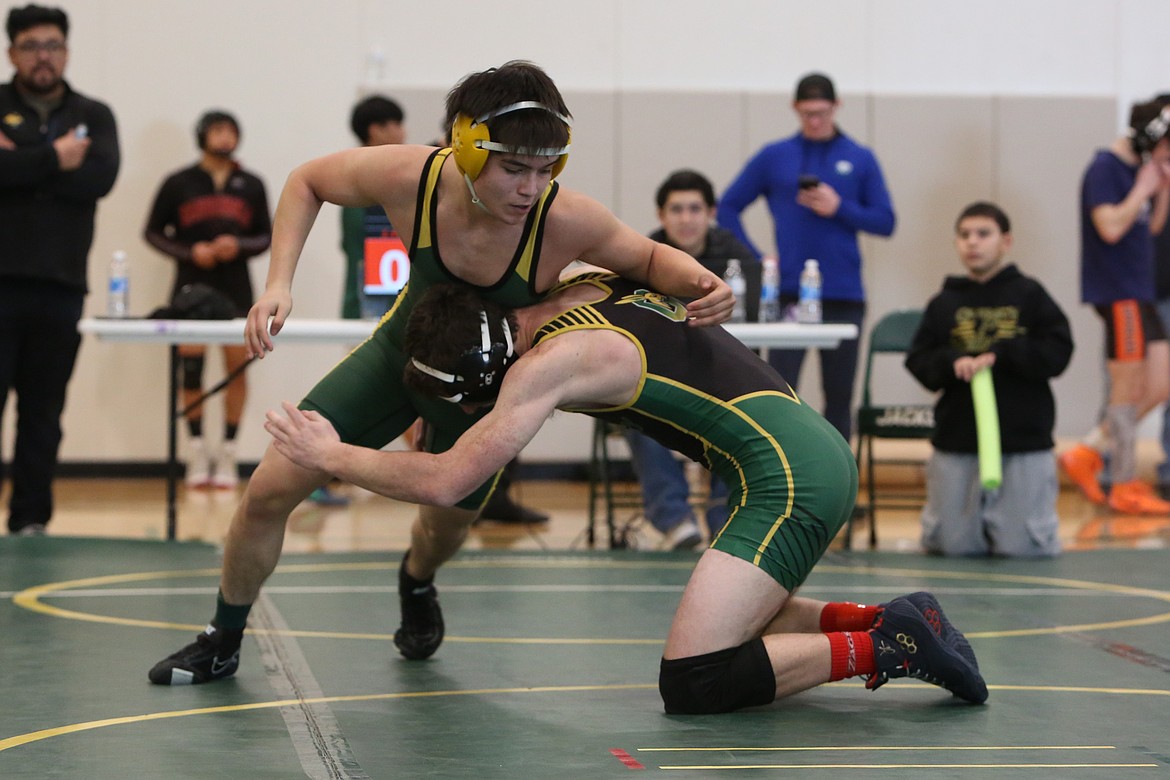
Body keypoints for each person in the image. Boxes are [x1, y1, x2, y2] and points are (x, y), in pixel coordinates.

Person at [147, 60, 734, 685]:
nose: (530, 189)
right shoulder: (413, 177)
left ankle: (417, 578)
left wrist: (703, 283)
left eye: (546, 169)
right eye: (514, 169)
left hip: (481, 393)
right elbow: (307, 181)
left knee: (441, 527)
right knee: (268, 490)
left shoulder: (564, 219)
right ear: (468, 146)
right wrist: (277, 285)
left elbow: (649, 258)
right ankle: (222, 636)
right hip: (397, 356)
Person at [263, 274, 988, 713]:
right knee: (737, 626)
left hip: (792, 478)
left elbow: (452, 478)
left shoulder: (549, 364)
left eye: (473, 401)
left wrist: (333, 455)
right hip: (801, 450)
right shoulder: (582, 284)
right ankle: (891, 618)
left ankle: (888, 647)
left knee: (695, 681)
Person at [717, 72, 895, 440]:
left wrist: (839, 207)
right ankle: (782, 468)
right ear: (795, 108)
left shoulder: (859, 157)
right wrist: (757, 258)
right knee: (780, 391)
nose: (814, 121)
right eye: (807, 113)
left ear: (836, 107)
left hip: (844, 292)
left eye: (821, 113)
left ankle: (841, 474)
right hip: (788, 292)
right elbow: (728, 206)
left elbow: (885, 221)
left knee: (839, 396)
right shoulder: (775, 156)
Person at [0, 4, 119, 536]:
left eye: (52, 45)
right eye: (30, 46)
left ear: (66, 52)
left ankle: (30, 521)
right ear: (11, 53)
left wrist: (19, 163)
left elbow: (99, 178)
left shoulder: (94, 114)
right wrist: (55, 158)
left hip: (61, 286)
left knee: (43, 414)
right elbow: (68, 172)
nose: (42, 56)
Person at [905, 202, 1073, 557]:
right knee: (952, 546)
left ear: (1005, 241)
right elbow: (919, 359)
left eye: (983, 234)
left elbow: (1058, 352)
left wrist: (1003, 354)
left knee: (1022, 547)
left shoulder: (1030, 295)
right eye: (964, 235)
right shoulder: (943, 303)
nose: (973, 242)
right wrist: (953, 361)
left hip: (1022, 442)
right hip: (958, 441)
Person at [624, 169, 757, 548]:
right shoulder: (642, 256)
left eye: (695, 209)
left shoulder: (736, 256)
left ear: (711, 213)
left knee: (747, 415)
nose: (686, 218)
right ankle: (674, 520)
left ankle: (724, 520)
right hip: (661, 378)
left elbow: (757, 313)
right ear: (661, 215)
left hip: (720, 378)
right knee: (634, 412)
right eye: (676, 209)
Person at [144, 110, 272, 489]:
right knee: (191, 370)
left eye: (231, 131)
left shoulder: (251, 184)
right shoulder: (178, 182)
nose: (225, 137)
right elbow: (153, 231)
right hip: (191, 286)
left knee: (237, 368)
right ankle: (197, 449)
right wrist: (189, 252)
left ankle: (229, 450)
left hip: (236, 289)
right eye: (217, 130)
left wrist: (239, 245)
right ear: (202, 135)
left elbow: (266, 235)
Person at [1059, 99, 1170, 515]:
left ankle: (1088, 450)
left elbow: (1150, 228)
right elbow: (1108, 227)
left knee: (1160, 383)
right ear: (1149, 138)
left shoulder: (1142, 168)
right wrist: (1142, 188)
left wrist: (1161, 189)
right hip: (1118, 292)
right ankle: (1123, 482)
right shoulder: (1106, 168)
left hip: (1140, 290)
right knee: (1126, 390)